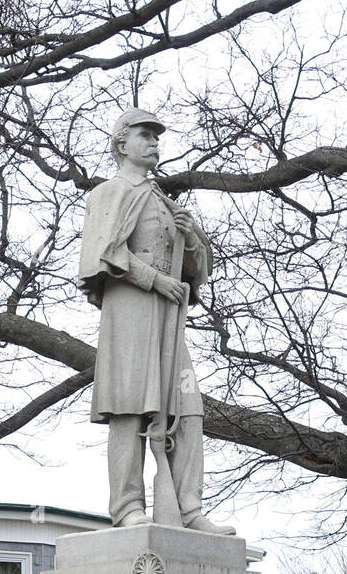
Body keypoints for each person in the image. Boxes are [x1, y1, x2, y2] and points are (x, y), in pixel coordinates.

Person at [78, 108, 236, 534]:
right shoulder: (108, 193)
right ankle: (128, 506)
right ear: (122, 143)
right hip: (130, 315)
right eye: (145, 135)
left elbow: (193, 271)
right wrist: (154, 280)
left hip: (169, 319)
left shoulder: (166, 202)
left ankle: (189, 510)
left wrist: (194, 238)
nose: (154, 143)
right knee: (129, 408)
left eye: (157, 137)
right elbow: (101, 255)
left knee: (187, 409)